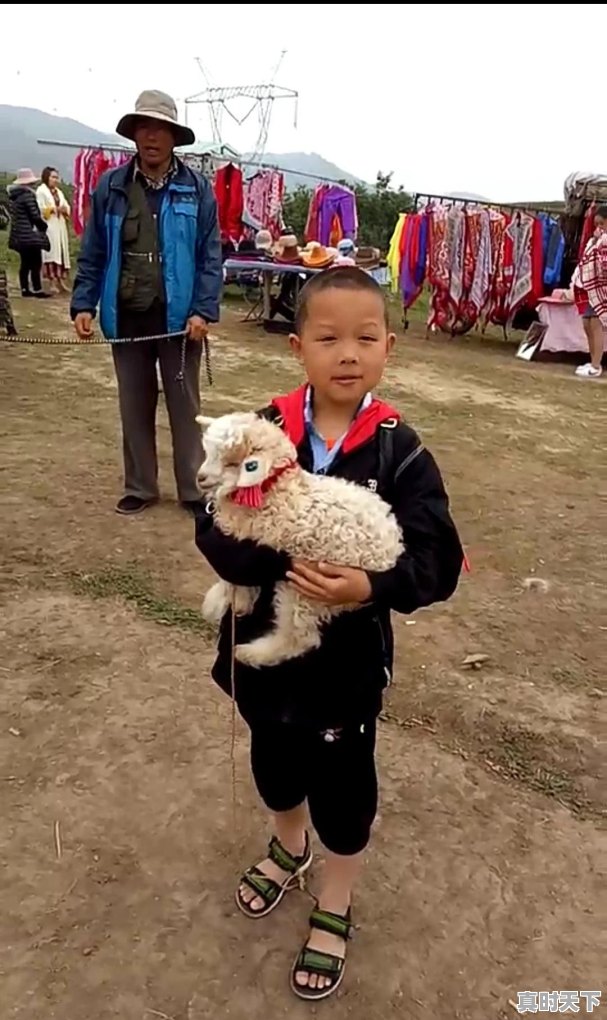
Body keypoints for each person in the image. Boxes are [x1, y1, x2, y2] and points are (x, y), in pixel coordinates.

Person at [195, 266, 464, 1001]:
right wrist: (268, 548)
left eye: (365, 338)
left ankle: (336, 895)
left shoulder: (399, 453)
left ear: (388, 350)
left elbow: (436, 563)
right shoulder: (260, 430)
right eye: (328, 337)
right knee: (274, 769)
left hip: (343, 670)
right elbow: (210, 524)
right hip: (263, 660)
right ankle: (287, 846)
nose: (348, 352)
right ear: (297, 348)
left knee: (343, 793)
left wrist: (369, 587)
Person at [70, 90, 222, 516]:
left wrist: (203, 310)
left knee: (185, 408)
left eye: (161, 129)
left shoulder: (197, 190)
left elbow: (210, 255)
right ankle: (141, 486)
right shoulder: (111, 187)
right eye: (144, 127)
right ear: (135, 134)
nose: (152, 136)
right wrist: (83, 302)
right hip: (127, 313)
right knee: (133, 404)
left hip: (179, 320)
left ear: (174, 137)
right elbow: (94, 250)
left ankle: (194, 491)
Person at [571, 205, 607, 379]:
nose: (598, 227)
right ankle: (593, 360)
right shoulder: (595, 240)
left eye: (601, 223)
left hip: (601, 289)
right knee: (587, 324)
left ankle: (596, 365)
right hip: (588, 287)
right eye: (596, 224)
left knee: (596, 324)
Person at [7, 169, 51, 299]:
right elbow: (35, 216)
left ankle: (25, 288)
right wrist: (43, 226)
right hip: (29, 235)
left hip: (18, 235)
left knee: (25, 263)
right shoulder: (28, 196)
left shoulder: (14, 197)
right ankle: (37, 289)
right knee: (36, 262)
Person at [36, 167, 71, 293]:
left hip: (59, 225)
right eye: (53, 177)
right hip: (49, 225)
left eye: (57, 177)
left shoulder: (59, 192)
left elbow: (67, 206)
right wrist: (53, 209)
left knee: (60, 252)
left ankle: (60, 280)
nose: (55, 180)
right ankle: (51, 281)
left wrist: (64, 210)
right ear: (46, 177)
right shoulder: (41, 191)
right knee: (51, 253)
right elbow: (40, 209)